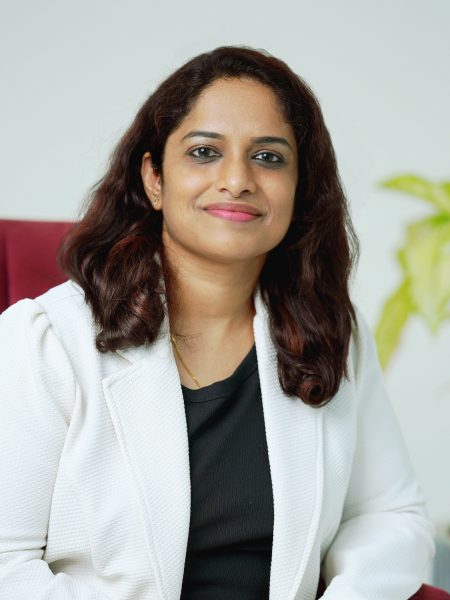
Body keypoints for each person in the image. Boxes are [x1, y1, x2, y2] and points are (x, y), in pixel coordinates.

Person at [0, 46, 435, 600]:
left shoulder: (330, 332)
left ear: (300, 187)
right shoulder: (45, 340)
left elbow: (389, 515)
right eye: (204, 152)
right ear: (154, 178)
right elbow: (5, 564)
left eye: (269, 157)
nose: (237, 180)